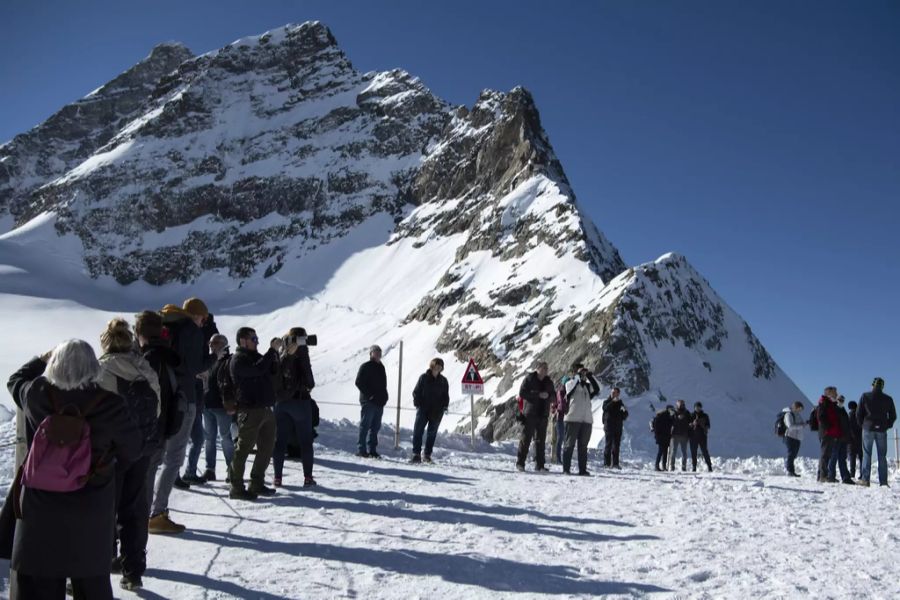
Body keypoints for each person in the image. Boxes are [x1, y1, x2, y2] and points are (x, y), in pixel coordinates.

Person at [6, 340, 142, 600]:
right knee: (92, 586)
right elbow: (133, 450)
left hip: (39, 510)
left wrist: (41, 359)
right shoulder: (111, 405)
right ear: (93, 367)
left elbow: (16, 379)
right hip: (91, 509)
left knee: (39, 585)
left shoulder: (37, 394)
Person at [96, 319, 161, 591]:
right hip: (141, 448)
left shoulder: (102, 370)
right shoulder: (146, 369)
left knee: (101, 511)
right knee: (133, 511)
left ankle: (94, 571)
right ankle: (133, 571)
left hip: (109, 453)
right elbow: (157, 407)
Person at [136, 310, 187, 535]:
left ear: (140, 333)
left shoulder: (147, 360)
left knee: (143, 475)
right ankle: (153, 515)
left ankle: (144, 521)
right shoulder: (167, 356)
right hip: (166, 425)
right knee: (151, 471)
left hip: (148, 428)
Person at [229, 327, 280, 499]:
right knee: (243, 448)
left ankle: (257, 483)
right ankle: (236, 487)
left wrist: (276, 355)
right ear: (243, 341)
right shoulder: (238, 359)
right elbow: (256, 370)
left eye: (257, 339)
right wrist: (270, 351)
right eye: (254, 339)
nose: (257, 342)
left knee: (267, 447)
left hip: (265, 408)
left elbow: (272, 371)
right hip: (249, 409)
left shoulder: (257, 357)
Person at [273, 328, 317, 487]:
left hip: (281, 403)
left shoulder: (281, 352)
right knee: (305, 441)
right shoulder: (301, 353)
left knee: (280, 441)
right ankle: (308, 478)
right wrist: (303, 352)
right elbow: (310, 381)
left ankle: (277, 478)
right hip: (300, 402)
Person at [182, 305, 219, 485]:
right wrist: (214, 357)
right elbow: (198, 365)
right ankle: (181, 473)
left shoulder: (194, 334)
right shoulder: (191, 335)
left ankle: (188, 472)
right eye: (202, 318)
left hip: (194, 396)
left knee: (197, 439)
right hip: (190, 396)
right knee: (188, 440)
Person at [200, 334, 234, 483]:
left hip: (222, 406)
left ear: (223, 344)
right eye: (210, 343)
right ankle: (210, 469)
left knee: (226, 437)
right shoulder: (211, 360)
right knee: (209, 439)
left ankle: (232, 470)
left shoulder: (229, 360)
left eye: (214, 343)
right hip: (207, 404)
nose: (211, 346)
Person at [516, 361, 555, 472]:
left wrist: (548, 396)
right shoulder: (529, 379)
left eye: (546, 369)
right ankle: (520, 463)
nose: (544, 371)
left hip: (543, 414)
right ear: (537, 369)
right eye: (542, 368)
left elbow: (554, 396)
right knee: (526, 439)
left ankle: (540, 465)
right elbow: (522, 393)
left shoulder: (549, 382)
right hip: (530, 414)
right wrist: (537, 395)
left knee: (541, 441)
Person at [857, 377, 896, 487]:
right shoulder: (888, 399)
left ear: (872, 385)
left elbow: (858, 413)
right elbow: (893, 416)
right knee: (882, 455)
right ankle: (883, 482)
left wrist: (863, 425)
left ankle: (865, 480)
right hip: (882, 429)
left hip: (868, 428)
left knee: (867, 454)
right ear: (882, 387)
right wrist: (887, 425)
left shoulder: (865, 396)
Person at [562, 363, 599, 476]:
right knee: (569, 445)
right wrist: (577, 376)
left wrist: (590, 376)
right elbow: (569, 391)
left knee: (583, 446)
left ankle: (582, 469)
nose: (583, 374)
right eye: (581, 372)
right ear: (574, 372)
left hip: (586, 419)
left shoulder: (586, 386)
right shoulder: (569, 382)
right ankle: (566, 469)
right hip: (572, 418)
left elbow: (597, 389)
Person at [411, 358, 450, 463]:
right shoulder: (423, 378)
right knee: (418, 431)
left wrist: (445, 406)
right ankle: (416, 454)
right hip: (423, 409)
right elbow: (416, 392)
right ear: (432, 365)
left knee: (432, 433)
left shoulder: (443, 381)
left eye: (441, 365)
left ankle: (427, 455)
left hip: (437, 411)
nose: (438, 367)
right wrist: (418, 403)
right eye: (437, 365)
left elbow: (445, 396)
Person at [355, 345, 388, 458]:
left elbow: (383, 385)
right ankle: (361, 450)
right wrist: (369, 396)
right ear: (371, 353)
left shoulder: (381, 367)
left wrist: (385, 397)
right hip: (368, 402)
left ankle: (372, 450)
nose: (378, 353)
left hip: (379, 402)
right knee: (365, 425)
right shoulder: (366, 366)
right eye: (375, 351)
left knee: (375, 427)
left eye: (379, 351)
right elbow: (358, 382)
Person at [816, 386, 842, 483]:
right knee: (825, 454)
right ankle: (823, 476)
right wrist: (828, 427)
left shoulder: (830, 403)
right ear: (829, 393)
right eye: (835, 392)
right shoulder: (824, 403)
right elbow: (821, 417)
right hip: (827, 432)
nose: (836, 394)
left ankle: (821, 475)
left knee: (826, 454)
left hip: (830, 432)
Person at [828, 395, 854, 484]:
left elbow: (846, 424)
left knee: (842, 458)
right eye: (839, 399)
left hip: (843, 438)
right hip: (836, 437)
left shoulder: (843, 410)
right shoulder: (834, 410)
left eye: (842, 400)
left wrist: (848, 437)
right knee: (833, 457)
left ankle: (845, 477)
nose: (841, 401)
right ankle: (831, 476)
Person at [601, 387, 628, 469]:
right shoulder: (606, 401)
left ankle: (615, 463)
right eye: (612, 392)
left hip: (618, 427)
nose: (613, 394)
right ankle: (607, 463)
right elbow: (605, 408)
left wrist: (624, 411)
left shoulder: (620, 403)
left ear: (618, 394)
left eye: (615, 392)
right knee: (608, 444)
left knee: (616, 446)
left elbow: (625, 415)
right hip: (609, 426)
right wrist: (613, 402)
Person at [782, 402, 806, 476]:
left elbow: (800, 423)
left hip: (797, 438)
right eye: (799, 409)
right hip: (790, 437)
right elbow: (790, 426)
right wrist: (801, 426)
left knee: (794, 455)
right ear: (796, 407)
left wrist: (804, 424)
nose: (800, 411)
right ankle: (790, 471)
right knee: (791, 454)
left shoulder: (797, 415)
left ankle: (791, 470)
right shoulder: (788, 414)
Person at [689, 401, 713, 472]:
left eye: (699, 407)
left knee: (705, 451)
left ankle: (709, 466)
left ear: (701, 408)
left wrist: (703, 424)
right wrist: (693, 423)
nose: (698, 408)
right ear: (694, 408)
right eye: (696, 407)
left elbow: (708, 426)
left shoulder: (705, 415)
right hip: (693, 436)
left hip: (702, 436)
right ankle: (694, 467)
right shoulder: (691, 415)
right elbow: (688, 425)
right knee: (693, 452)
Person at [550, 377, 569, 464]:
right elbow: (561, 404)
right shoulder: (561, 392)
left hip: (563, 417)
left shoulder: (565, 392)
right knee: (560, 437)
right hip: (559, 417)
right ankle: (558, 458)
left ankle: (559, 458)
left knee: (562, 438)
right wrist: (566, 410)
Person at [669, 400, 692, 472]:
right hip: (675, 435)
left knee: (684, 452)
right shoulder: (674, 413)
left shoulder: (687, 413)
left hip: (684, 435)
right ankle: (672, 466)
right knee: (673, 452)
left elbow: (690, 422)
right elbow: (670, 422)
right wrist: (677, 418)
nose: (681, 405)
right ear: (677, 404)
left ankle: (683, 467)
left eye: (682, 404)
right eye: (680, 404)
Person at [651, 406, 674, 471]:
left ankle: (663, 466)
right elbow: (656, 426)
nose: (672, 411)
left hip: (666, 437)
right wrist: (657, 435)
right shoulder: (662, 416)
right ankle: (657, 465)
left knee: (665, 452)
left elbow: (672, 424)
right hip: (661, 437)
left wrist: (672, 417)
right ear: (668, 409)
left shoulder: (669, 416)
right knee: (661, 451)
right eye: (671, 409)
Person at [847, 400, 863, 479]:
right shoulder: (860, 415)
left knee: (852, 457)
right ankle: (862, 473)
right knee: (861, 457)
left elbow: (848, 427)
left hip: (851, 440)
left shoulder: (850, 416)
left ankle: (852, 473)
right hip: (860, 438)